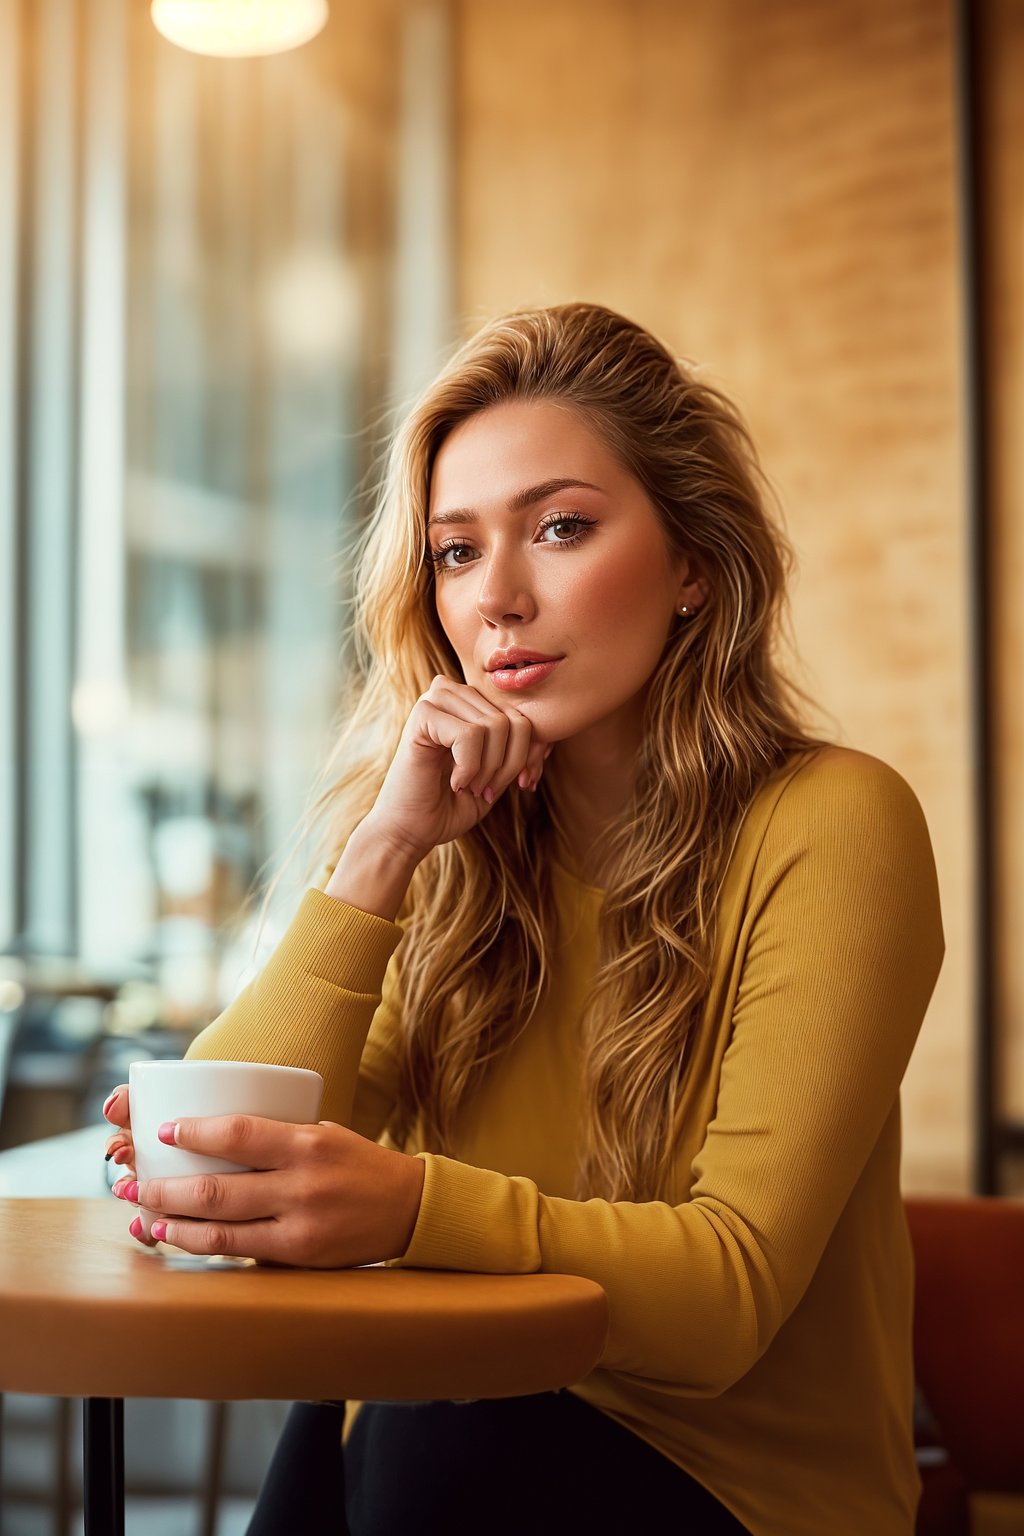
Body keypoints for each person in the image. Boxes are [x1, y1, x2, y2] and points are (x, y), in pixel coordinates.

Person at [103, 302, 944, 1536]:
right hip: (437, 1423)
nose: (496, 597)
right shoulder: (450, 844)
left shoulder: (833, 822)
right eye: (452, 551)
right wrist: (382, 853)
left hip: (732, 1486)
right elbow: (209, 1160)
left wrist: (407, 1208)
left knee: (430, 1436)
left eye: (559, 529)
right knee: (367, 1433)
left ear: (695, 563)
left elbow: (728, 1296)